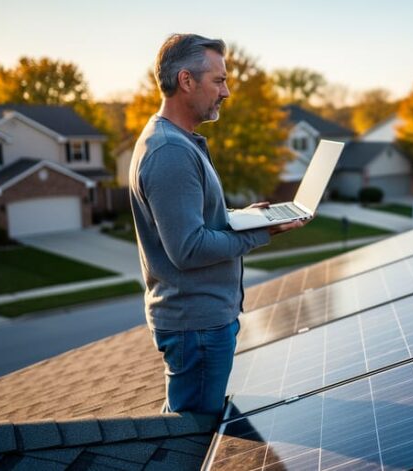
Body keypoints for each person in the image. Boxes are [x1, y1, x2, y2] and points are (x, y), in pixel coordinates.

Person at [129, 34, 303, 416]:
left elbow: (195, 224)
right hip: (197, 327)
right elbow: (189, 249)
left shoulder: (177, 141)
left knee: (185, 425)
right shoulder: (170, 151)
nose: (226, 92)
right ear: (186, 81)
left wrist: (239, 220)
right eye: (219, 81)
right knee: (191, 438)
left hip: (202, 324)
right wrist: (260, 233)